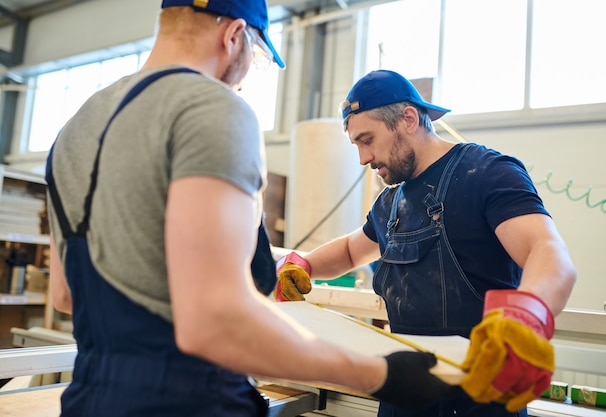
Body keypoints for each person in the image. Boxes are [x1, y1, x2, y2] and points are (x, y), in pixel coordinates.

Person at [45, 2, 456, 416]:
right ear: (234, 35)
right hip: (189, 401)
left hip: (88, 399)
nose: (245, 78)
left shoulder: (75, 128)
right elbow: (218, 319)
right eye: (256, 57)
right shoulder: (212, 108)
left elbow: (64, 295)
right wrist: (378, 374)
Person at [275, 69, 577, 417]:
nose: (362, 159)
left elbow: (548, 251)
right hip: (404, 391)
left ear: (407, 119)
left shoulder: (486, 173)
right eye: (356, 144)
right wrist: (305, 264)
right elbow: (349, 251)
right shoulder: (390, 203)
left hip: (479, 398)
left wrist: (526, 319)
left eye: (368, 140)